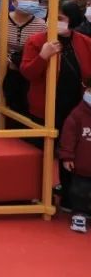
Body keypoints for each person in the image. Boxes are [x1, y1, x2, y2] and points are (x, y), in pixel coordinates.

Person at [21, 2, 91, 212]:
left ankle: (70, 198)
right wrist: (43, 56)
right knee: (40, 153)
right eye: (52, 17)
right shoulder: (36, 41)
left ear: (73, 21)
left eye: (60, 18)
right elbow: (27, 72)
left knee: (72, 154)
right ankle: (36, 193)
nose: (54, 22)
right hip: (43, 107)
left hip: (77, 109)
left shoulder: (85, 42)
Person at [60, 82, 91, 233]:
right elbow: (68, 137)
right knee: (79, 191)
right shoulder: (77, 114)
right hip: (82, 165)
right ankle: (79, 214)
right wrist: (67, 157)